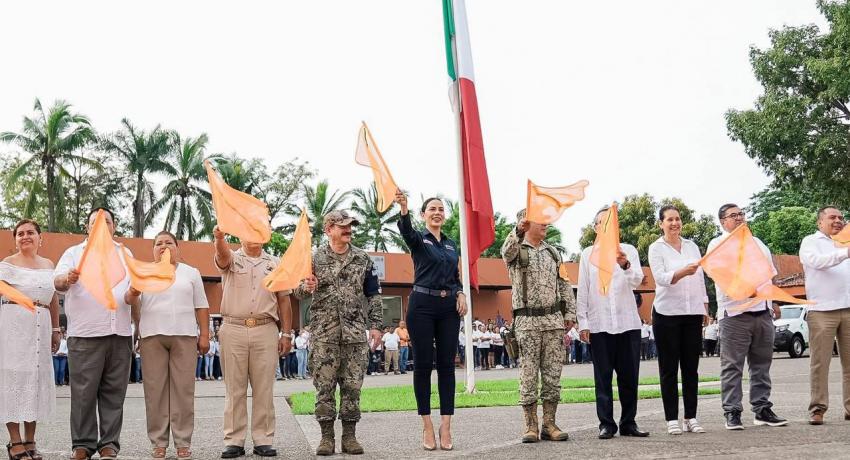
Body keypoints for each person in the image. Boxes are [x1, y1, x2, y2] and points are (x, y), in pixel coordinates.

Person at [294, 209, 383, 456]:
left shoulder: (363, 259)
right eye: (343, 226)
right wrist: (306, 286)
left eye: (350, 225)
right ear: (328, 229)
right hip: (325, 335)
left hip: (354, 335)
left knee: (352, 388)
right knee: (324, 388)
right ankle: (326, 437)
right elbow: (296, 292)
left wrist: (376, 325)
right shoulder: (314, 258)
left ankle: (349, 437)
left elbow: (374, 295)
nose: (348, 229)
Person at [54, 208, 133, 460]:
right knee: (83, 394)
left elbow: (131, 292)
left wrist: (135, 296)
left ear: (114, 226)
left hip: (120, 332)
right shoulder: (74, 253)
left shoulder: (125, 253)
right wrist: (67, 279)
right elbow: (57, 282)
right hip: (85, 334)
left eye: (106, 221)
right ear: (87, 228)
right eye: (95, 222)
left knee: (114, 393)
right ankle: (82, 444)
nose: (101, 225)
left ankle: (109, 443)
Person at [125, 231, 211, 458]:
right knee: (155, 391)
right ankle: (158, 442)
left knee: (183, 390)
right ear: (153, 250)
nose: (163, 247)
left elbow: (201, 306)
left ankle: (183, 441)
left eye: (169, 243)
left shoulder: (191, 273)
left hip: (184, 335)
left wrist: (204, 335)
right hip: (152, 335)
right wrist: (133, 293)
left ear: (177, 248)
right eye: (158, 244)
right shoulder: (144, 271)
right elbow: (129, 299)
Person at [213, 223, 293, 459]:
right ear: (239, 236)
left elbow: (284, 300)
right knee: (234, 389)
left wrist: (286, 333)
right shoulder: (232, 259)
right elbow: (222, 257)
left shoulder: (275, 263)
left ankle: (263, 439)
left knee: (264, 389)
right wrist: (219, 238)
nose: (253, 236)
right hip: (234, 328)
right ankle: (234, 440)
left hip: (265, 328)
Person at [706, 203, 787, 431]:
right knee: (732, 366)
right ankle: (732, 411)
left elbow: (770, 275)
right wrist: (746, 289)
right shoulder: (717, 244)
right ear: (723, 222)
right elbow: (721, 275)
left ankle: (762, 409)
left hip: (762, 312)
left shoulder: (758, 243)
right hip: (735, 313)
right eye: (734, 215)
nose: (740, 218)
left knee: (761, 364)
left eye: (741, 214)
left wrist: (773, 301)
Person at [395, 193, 466, 451]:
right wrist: (404, 208)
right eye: (432, 209)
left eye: (441, 209)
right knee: (423, 366)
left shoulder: (451, 244)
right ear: (423, 214)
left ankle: (446, 425)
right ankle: (426, 425)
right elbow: (406, 231)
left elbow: (455, 276)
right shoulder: (418, 239)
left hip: (448, 308)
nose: (437, 212)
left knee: (447, 366)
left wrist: (461, 292)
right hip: (422, 306)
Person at [502, 209, 576, 443]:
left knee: (553, 376)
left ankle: (549, 424)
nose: (545, 224)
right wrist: (517, 231)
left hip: (553, 322)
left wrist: (570, 312)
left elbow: (564, 283)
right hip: (527, 323)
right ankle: (531, 426)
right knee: (528, 376)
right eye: (540, 220)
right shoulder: (517, 249)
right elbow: (506, 252)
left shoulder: (552, 252)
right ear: (525, 223)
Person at [577, 206, 650, 440]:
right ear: (596, 227)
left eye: (612, 223)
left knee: (629, 378)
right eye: (603, 222)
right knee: (603, 378)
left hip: (628, 323)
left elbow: (637, 281)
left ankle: (629, 422)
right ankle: (606, 424)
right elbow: (583, 289)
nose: (608, 227)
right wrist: (583, 322)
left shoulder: (628, 250)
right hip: (600, 325)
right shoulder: (588, 254)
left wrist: (625, 265)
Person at [1, 219, 60, 460]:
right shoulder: (7, 264)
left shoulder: (48, 264)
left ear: (40, 238)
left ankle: (30, 439)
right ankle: (15, 442)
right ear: (15, 239)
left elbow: (53, 298)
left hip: (41, 325)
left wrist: (56, 329)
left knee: (35, 380)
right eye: (20, 233)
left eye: (30, 232)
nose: (25, 236)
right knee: (14, 378)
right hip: (14, 325)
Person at [648, 205, 710, 435]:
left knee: (691, 368)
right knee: (669, 368)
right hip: (667, 313)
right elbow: (661, 278)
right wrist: (683, 272)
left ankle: (690, 417)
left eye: (677, 219)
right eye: (669, 220)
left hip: (691, 312)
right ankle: (671, 418)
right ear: (661, 224)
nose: (675, 223)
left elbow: (700, 278)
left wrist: (704, 306)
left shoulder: (692, 246)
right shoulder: (656, 248)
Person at [799, 206, 850, 425]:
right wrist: (845, 253)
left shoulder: (846, 242)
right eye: (832, 217)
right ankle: (818, 409)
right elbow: (817, 262)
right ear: (820, 222)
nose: (838, 220)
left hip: (848, 307)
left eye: (841, 217)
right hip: (821, 310)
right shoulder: (811, 241)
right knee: (820, 363)